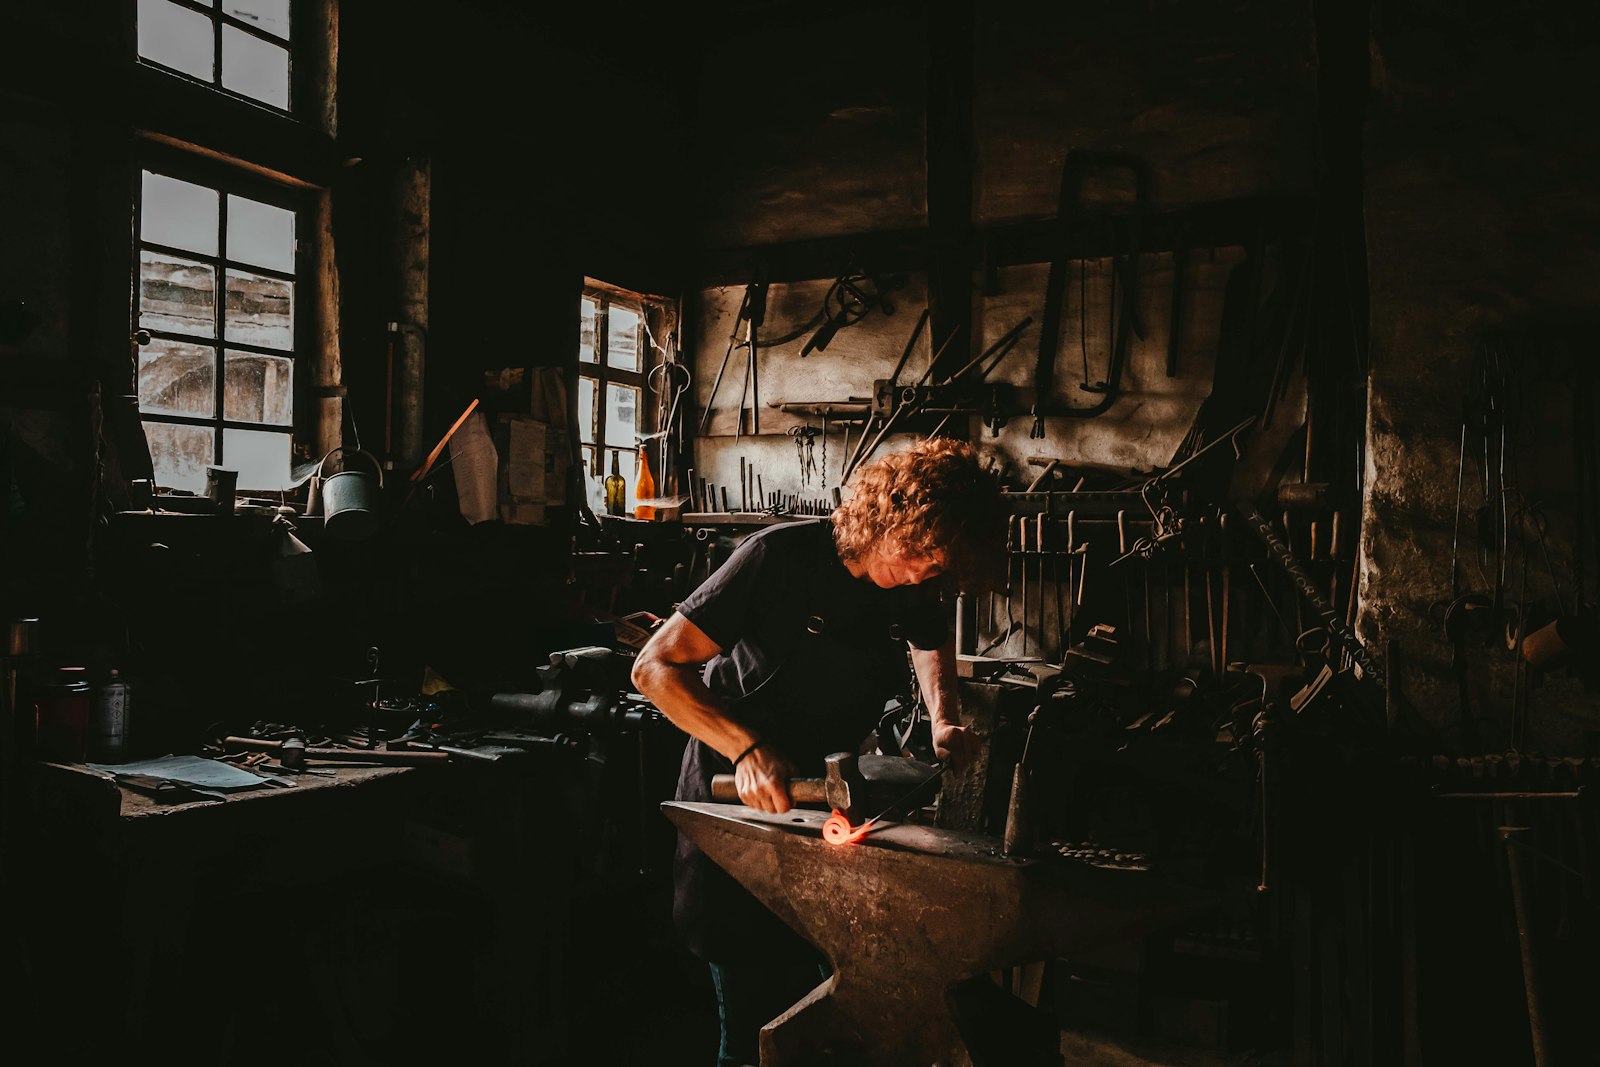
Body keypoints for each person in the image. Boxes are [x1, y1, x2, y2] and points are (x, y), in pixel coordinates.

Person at [630, 435, 1006, 1067]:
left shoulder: (912, 580)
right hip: (737, 806)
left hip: (826, 813)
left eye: (936, 567)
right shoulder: (775, 558)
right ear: (882, 517)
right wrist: (746, 749)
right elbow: (653, 668)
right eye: (914, 553)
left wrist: (944, 718)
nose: (919, 573)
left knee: (822, 1019)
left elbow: (928, 637)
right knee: (751, 1025)